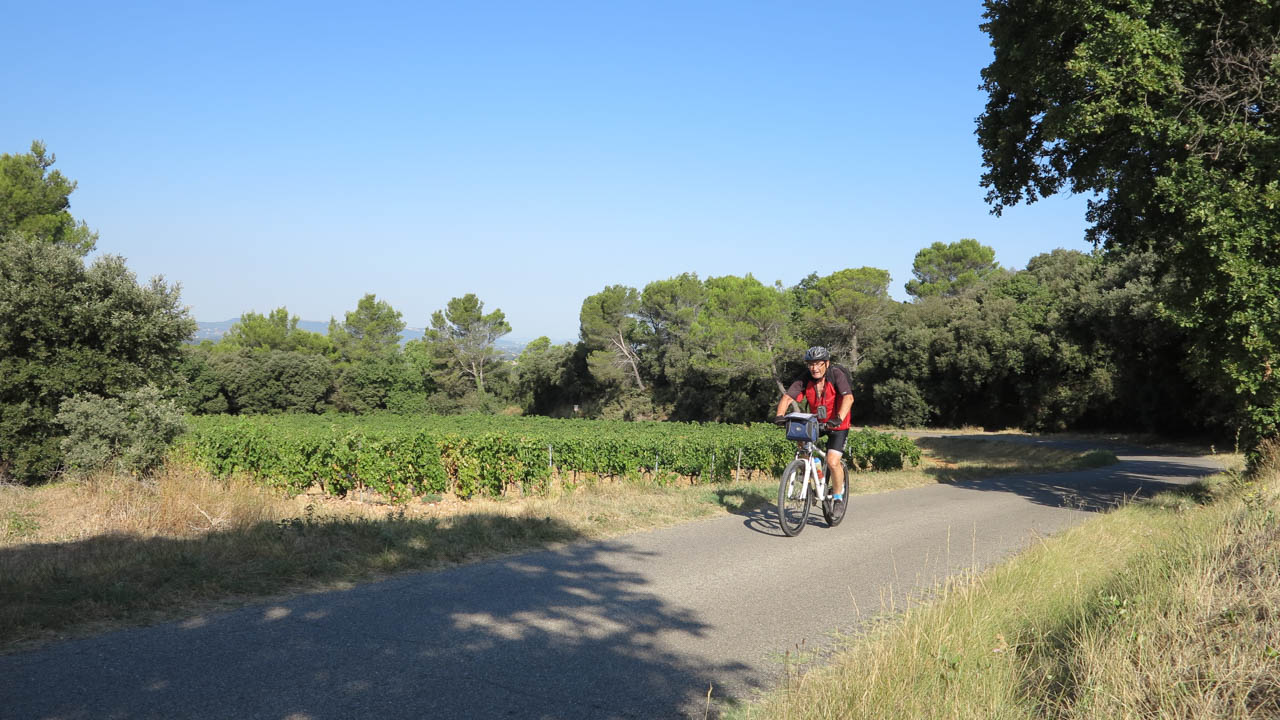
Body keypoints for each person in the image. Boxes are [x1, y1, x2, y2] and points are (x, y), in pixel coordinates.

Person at [773, 346, 854, 506]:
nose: (814, 368)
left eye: (818, 364)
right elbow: (788, 397)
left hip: (838, 424)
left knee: (832, 462)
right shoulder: (805, 378)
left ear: (826, 363)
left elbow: (849, 398)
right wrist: (780, 415)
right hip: (817, 422)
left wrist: (838, 418)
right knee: (801, 444)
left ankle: (838, 497)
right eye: (811, 364)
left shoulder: (836, 375)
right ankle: (815, 473)